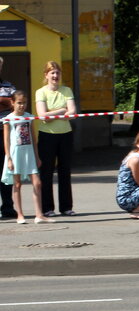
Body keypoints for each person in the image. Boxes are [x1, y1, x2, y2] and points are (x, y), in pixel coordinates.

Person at [2, 90, 50, 224]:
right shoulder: (8, 119)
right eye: (19, 103)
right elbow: (6, 140)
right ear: (12, 103)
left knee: (37, 182)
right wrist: (9, 158)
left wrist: (37, 156)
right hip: (15, 154)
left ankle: (39, 214)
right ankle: (20, 215)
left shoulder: (29, 117)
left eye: (24, 103)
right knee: (17, 184)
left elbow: (33, 139)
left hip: (29, 154)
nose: (22, 106)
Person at [35, 61, 75, 218]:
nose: (55, 75)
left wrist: (53, 114)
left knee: (65, 171)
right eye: (52, 72)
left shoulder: (66, 90)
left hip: (65, 135)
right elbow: (43, 116)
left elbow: (72, 112)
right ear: (46, 75)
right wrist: (61, 110)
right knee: (46, 172)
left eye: (57, 72)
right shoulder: (41, 92)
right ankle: (47, 208)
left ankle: (66, 207)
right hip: (47, 136)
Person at [0, 56, 16, 218]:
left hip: (5, 133)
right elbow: (8, 104)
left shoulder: (8, 85)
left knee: (5, 171)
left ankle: (7, 207)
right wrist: (4, 102)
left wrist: (6, 103)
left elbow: (16, 104)